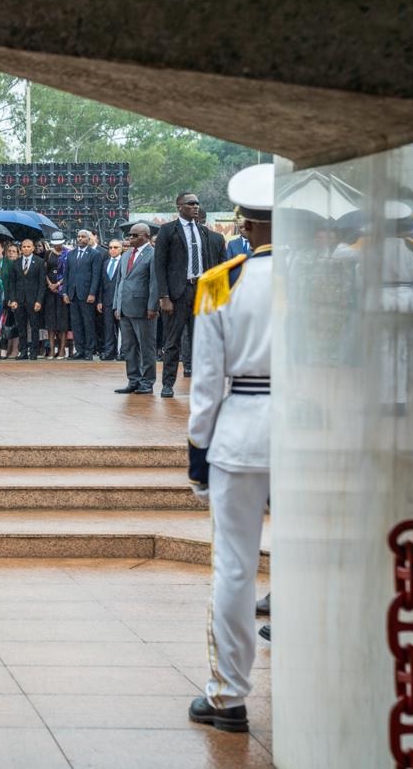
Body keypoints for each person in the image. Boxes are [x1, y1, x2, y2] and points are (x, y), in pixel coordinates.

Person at [187, 164, 275, 734]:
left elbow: (206, 384)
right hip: (315, 434)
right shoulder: (331, 276)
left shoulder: (221, 281)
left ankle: (228, 696)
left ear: (244, 223)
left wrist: (198, 456)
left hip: (241, 430)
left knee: (235, 569)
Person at [154, 191, 221, 397]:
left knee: (200, 340)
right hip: (177, 293)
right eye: (191, 203)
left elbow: (211, 265)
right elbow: (159, 265)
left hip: (200, 290)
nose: (195, 206)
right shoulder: (168, 230)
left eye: (197, 203)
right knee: (172, 342)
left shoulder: (204, 232)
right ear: (179, 207)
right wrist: (164, 296)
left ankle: (202, 384)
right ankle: (167, 384)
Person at [112, 224, 160, 393]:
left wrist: (152, 306)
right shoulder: (126, 255)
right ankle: (134, 380)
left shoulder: (153, 255)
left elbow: (155, 283)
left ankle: (147, 382)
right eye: (129, 235)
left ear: (146, 236)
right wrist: (117, 305)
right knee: (129, 347)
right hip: (125, 308)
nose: (130, 238)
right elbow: (120, 281)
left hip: (143, 309)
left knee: (146, 348)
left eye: (134, 235)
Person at [63, 229, 104, 359]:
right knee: (76, 324)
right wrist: (65, 292)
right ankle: (79, 349)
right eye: (78, 236)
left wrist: (92, 293)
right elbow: (66, 274)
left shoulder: (95, 254)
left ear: (88, 239)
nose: (80, 239)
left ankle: (89, 351)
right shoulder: (71, 254)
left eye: (83, 237)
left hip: (86, 295)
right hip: (73, 294)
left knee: (88, 323)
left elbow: (96, 275)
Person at [5, 239, 46, 359]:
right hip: (19, 300)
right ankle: (22, 351)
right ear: (21, 249)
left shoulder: (39, 262)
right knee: (21, 327)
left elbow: (42, 284)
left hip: (33, 300)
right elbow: (12, 283)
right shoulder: (16, 263)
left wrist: (39, 301)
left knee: (34, 327)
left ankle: (34, 351)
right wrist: (13, 299)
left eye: (28, 246)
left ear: (33, 248)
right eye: (24, 247)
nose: (26, 248)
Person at [43, 232, 70, 358]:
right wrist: (50, 284)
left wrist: (58, 284)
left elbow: (68, 272)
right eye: (55, 244)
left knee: (62, 322)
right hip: (50, 291)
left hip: (62, 290)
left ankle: (62, 349)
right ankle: (52, 349)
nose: (57, 246)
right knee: (50, 321)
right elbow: (44, 271)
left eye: (59, 244)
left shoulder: (68, 253)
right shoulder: (48, 253)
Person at [99, 237, 125, 360]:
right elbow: (101, 283)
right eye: (110, 248)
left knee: (123, 328)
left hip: (121, 301)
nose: (112, 250)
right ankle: (110, 352)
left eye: (115, 247)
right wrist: (99, 301)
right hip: (107, 300)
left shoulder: (124, 262)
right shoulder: (105, 263)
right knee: (108, 327)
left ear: (121, 249)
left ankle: (124, 352)